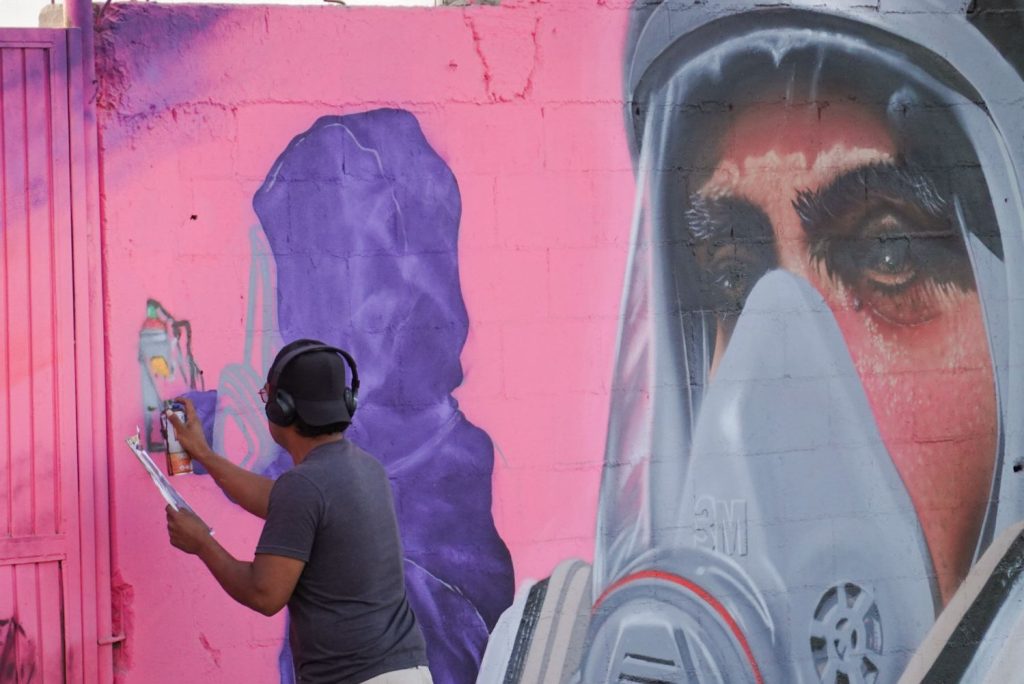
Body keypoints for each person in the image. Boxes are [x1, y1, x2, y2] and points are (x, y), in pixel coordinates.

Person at [164, 338, 432, 684]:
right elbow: (278, 500)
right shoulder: (366, 469)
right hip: (407, 671)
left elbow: (264, 594)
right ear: (346, 402)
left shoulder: (304, 486)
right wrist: (205, 455)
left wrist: (202, 543)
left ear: (282, 409)